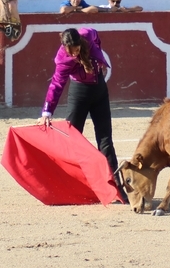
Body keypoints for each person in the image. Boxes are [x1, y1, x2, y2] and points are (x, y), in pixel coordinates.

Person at [38, 27, 122, 195]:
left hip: (99, 89)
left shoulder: (87, 35)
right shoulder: (63, 58)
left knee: (105, 139)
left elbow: (96, 36)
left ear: (80, 43)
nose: (74, 54)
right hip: (79, 94)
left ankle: (115, 187)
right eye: (71, 52)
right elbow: (57, 84)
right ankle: (72, 185)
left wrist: (98, 58)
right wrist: (47, 112)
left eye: (76, 50)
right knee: (73, 139)